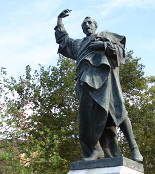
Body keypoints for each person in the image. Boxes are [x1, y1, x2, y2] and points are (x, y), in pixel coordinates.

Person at [54, 9, 143, 162]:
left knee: (118, 111)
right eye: (84, 24)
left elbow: (120, 51)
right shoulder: (79, 44)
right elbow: (64, 40)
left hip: (105, 81)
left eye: (90, 22)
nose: (87, 25)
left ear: (95, 26)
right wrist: (59, 21)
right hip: (85, 84)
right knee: (87, 119)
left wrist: (104, 46)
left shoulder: (105, 36)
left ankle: (134, 148)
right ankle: (96, 149)